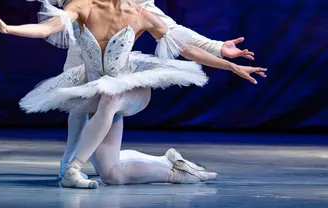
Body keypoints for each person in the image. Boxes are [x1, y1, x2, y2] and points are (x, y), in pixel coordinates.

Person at [0, 0, 267, 189]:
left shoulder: (143, 12)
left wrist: (227, 61)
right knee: (111, 175)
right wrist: (6, 28)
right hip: (96, 86)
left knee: (110, 95)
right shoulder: (82, 5)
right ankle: (173, 168)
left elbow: (182, 43)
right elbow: (47, 28)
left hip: (131, 86)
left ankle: (72, 169)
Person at [53, 0, 255, 181]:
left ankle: (71, 166)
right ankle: (165, 161)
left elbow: (175, 34)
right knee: (101, 158)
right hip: (80, 73)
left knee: (108, 167)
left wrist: (217, 48)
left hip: (111, 81)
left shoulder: (136, 6)